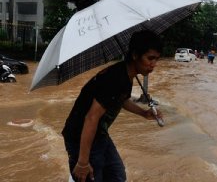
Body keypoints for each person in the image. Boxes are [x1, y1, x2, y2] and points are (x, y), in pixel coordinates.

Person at [62, 30, 163, 182]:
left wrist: (144, 113)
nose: (153, 64)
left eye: (157, 59)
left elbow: (121, 100)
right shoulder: (115, 78)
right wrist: (83, 162)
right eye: (150, 58)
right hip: (80, 136)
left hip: (99, 133)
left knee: (117, 175)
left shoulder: (126, 74)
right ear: (135, 55)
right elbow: (91, 117)